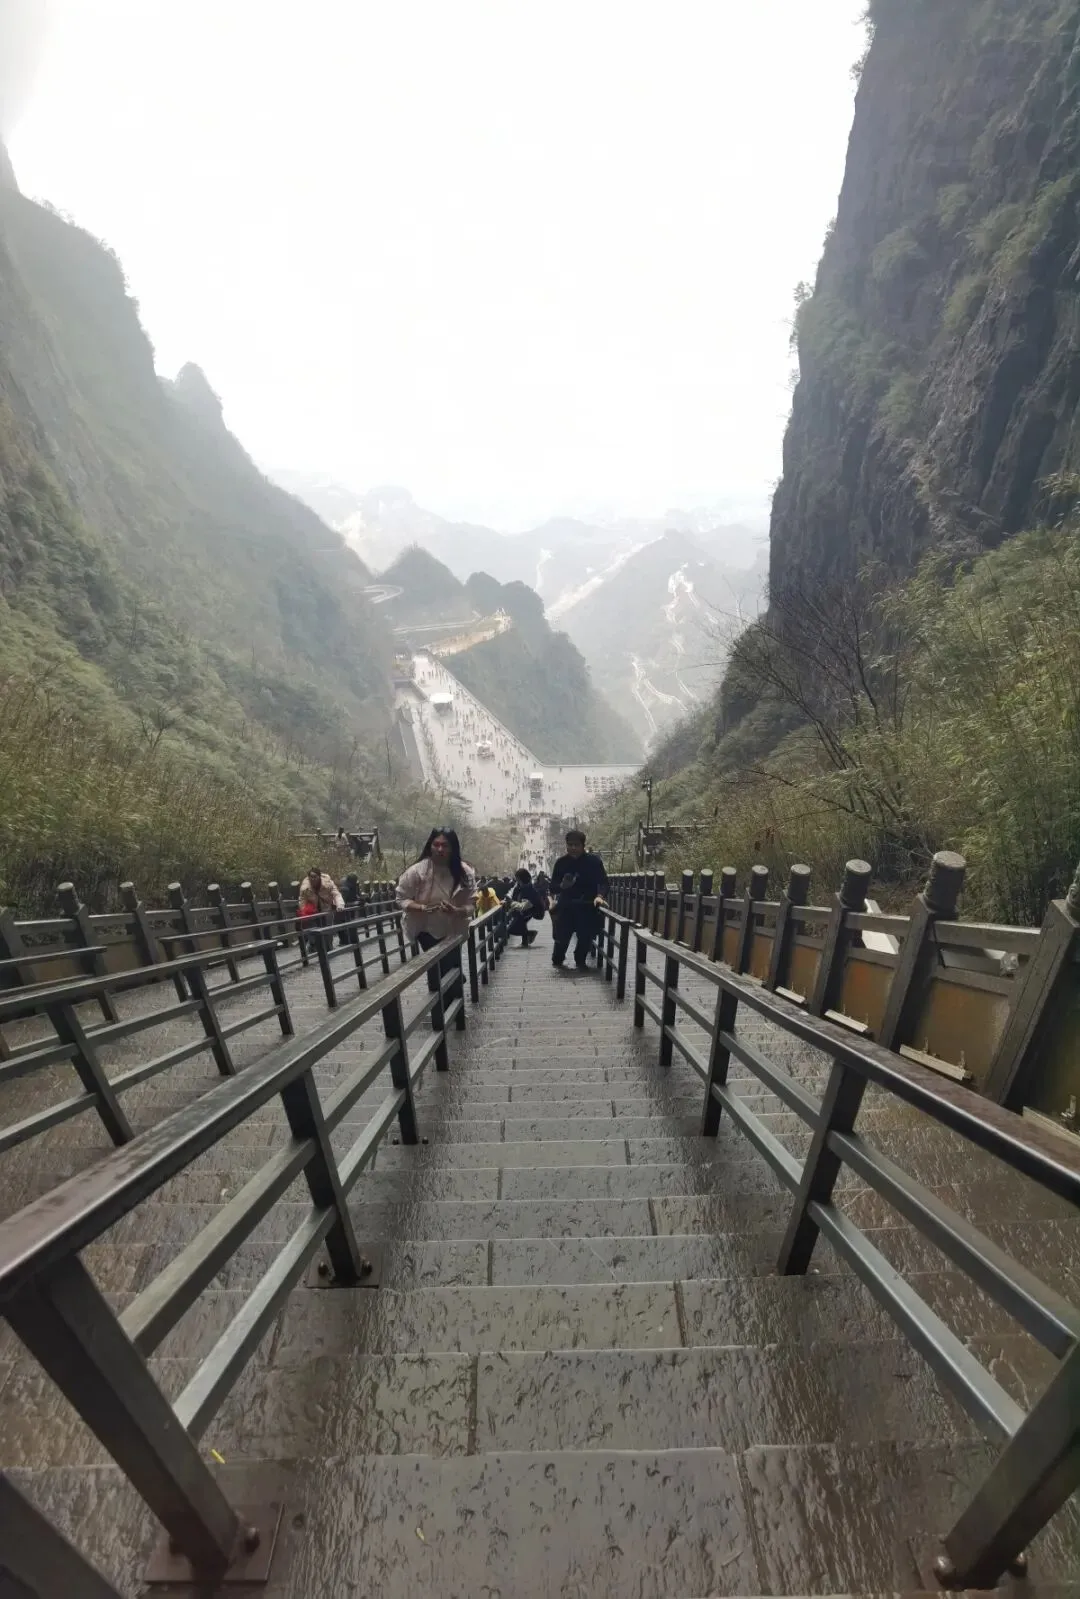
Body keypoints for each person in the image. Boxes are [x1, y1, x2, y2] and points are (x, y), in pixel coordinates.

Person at [396, 828, 476, 991]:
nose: (440, 849)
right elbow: (401, 898)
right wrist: (423, 908)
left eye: (445, 846)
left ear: (453, 848)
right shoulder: (417, 871)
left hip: (454, 928)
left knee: (451, 967)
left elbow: (472, 904)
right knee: (436, 967)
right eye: (436, 845)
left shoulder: (464, 872)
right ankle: (443, 998)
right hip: (425, 928)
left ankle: (453, 994)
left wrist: (457, 911)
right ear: (430, 846)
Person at [549, 830, 608, 970]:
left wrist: (600, 896)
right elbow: (552, 887)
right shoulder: (561, 863)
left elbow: (603, 882)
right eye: (570, 845)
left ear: (583, 845)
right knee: (561, 939)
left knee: (585, 937)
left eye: (576, 845)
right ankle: (558, 958)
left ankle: (580, 960)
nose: (573, 848)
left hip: (586, 906)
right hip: (566, 906)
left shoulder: (594, 862)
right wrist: (562, 886)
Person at [506, 868, 544, 947]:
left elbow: (524, 906)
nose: (516, 880)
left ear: (521, 879)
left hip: (534, 911)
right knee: (521, 922)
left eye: (517, 879)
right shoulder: (521, 886)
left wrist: (511, 902)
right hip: (527, 911)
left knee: (511, 929)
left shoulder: (529, 890)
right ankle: (525, 942)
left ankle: (530, 934)